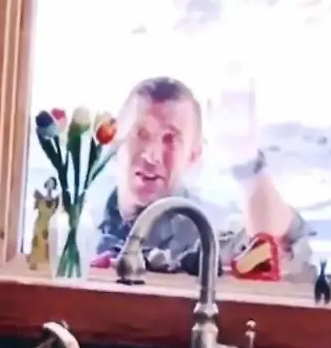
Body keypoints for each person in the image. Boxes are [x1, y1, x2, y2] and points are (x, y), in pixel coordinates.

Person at [93, 76, 313, 278]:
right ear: (115, 139)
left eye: (170, 139)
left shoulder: (201, 237)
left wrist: (247, 165)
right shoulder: (81, 219)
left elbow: (275, 244)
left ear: (193, 155)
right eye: (140, 134)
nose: (151, 156)